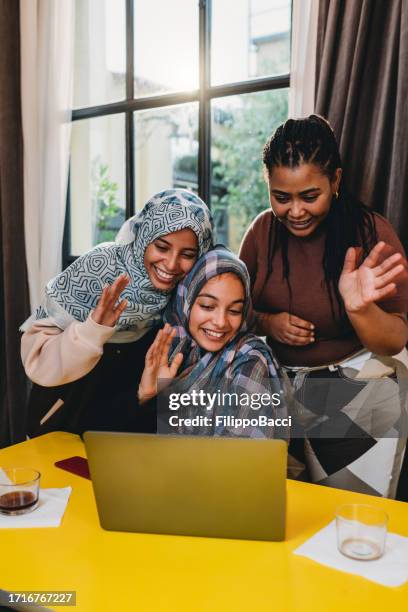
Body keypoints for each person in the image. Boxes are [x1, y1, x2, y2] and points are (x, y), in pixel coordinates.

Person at [239, 115, 408, 498]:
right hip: (283, 389)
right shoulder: (262, 232)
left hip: (361, 390)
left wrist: (359, 308)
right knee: (282, 509)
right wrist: (266, 321)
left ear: (335, 181)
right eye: (282, 197)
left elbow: (394, 341)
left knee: (345, 512)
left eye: (309, 196)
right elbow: (232, 313)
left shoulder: (370, 233)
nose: (295, 211)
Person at [21, 189, 213, 435]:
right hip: (62, 419)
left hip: (121, 426)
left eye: (187, 254)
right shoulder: (98, 268)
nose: (172, 264)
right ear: (144, 237)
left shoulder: (187, 293)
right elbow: (35, 358)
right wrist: (92, 330)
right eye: (162, 247)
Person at [137, 247, 288, 439]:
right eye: (208, 306)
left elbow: (240, 457)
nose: (221, 322)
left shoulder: (249, 358)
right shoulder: (167, 348)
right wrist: (149, 397)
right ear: (187, 301)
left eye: (234, 311)